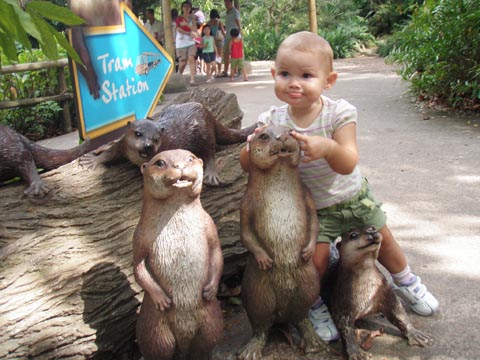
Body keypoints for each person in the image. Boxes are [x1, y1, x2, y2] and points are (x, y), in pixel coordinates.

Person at [239, 31, 439, 342]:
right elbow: (246, 164)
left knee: (385, 242)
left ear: (328, 80)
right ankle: (313, 304)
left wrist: (329, 148)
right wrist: (251, 145)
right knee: (314, 262)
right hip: (315, 210)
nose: (294, 82)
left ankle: (407, 282)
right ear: (273, 75)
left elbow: (348, 160)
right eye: (285, 74)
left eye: (306, 75)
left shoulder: (339, 113)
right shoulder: (271, 120)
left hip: (353, 198)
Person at [175, 1, 198, 86]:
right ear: (182, 8)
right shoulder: (179, 18)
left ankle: (192, 80)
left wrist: (187, 25)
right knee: (183, 62)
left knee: (191, 58)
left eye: (188, 6)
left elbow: (195, 29)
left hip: (191, 41)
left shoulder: (193, 18)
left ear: (190, 8)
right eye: (185, 6)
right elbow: (178, 29)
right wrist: (188, 32)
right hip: (181, 42)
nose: (186, 8)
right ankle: (178, 76)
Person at [220, 0, 241, 78]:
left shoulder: (235, 12)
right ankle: (225, 71)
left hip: (234, 36)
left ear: (231, 3)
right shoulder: (227, 12)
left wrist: (239, 31)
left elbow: (238, 22)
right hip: (227, 36)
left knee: (234, 54)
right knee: (225, 53)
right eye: (225, 3)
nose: (226, 4)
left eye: (227, 3)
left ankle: (235, 71)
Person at [207, 9, 225, 77]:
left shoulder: (208, 23)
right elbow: (223, 31)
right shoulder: (219, 22)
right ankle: (219, 71)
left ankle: (215, 71)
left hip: (212, 41)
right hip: (219, 40)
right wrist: (225, 37)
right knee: (219, 56)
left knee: (213, 56)